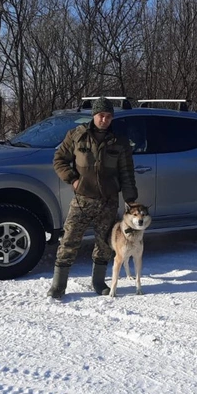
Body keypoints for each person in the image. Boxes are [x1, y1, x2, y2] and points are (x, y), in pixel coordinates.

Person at [47, 97, 139, 299]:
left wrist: (131, 199)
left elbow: (126, 172)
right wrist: (73, 179)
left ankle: (98, 282)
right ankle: (58, 285)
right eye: (100, 115)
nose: (104, 120)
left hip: (108, 201)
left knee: (104, 244)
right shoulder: (76, 135)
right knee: (69, 240)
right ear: (94, 116)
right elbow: (59, 160)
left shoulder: (119, 141)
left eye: (108, 116)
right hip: (82, 200)